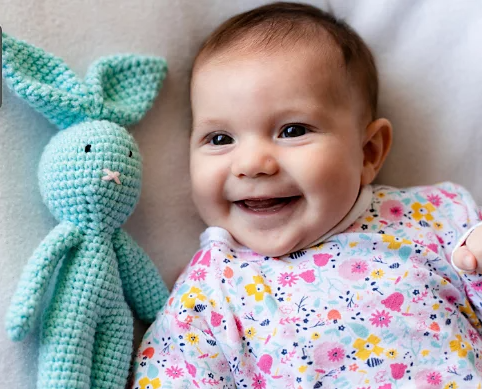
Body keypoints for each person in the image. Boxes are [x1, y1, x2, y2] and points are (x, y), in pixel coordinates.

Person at [131, 2, 482, 388]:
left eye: (293, 130)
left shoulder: (434, 218)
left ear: (368, 153)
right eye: (220, 139)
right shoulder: (207, 295)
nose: (252, 163)